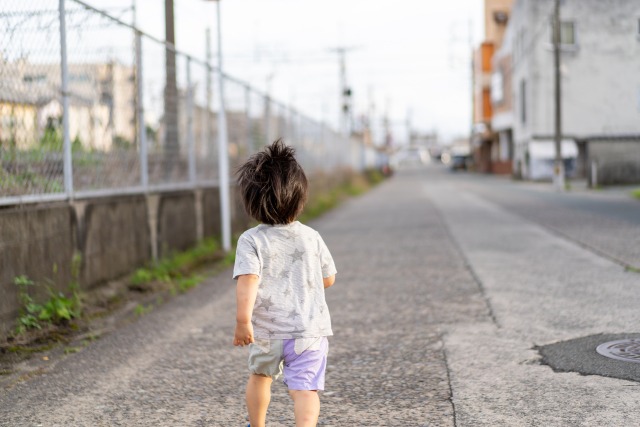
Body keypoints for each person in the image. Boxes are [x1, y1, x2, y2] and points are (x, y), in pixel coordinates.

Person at [232, 140, 337, 427]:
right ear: (300, 197)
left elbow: (248, 280)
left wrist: (243, 321)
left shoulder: (251, 240)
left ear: (252, 203)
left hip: (267, 330)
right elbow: (328, 278)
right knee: (305, 389)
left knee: (260, 378)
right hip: (308, 331)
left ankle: (258, 425)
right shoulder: (311, 236)